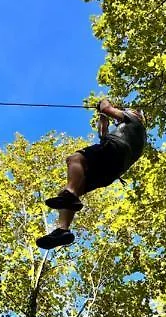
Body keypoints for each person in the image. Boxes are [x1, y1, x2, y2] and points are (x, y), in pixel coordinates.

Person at [36, 98, 146, 248]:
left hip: (115, 149)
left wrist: (104, 103)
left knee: (75, 159)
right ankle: (63, 230)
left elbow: (107, 108)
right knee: (75, 189)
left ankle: (70, 195)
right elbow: (103, 134)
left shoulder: (133, 118)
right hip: (113, 170)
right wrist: (103, 117)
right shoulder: (137, 136)